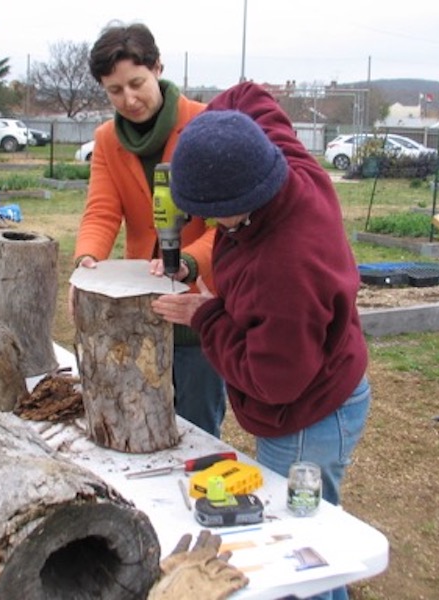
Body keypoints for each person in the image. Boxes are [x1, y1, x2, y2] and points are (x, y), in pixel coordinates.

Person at [152, 83, 371, 600]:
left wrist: (208, 318)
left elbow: (273, 380)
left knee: (298, 547)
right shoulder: (275, 159)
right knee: (309, 535)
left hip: (308, 414)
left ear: (242, 201)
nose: (203, 225)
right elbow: (247, 95)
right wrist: (206, 141)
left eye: (212, 214)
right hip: (324, 373)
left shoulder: (285, 266)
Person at [71, 22, 226, 437]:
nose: (129, 98)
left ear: (158, 67)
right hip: (140, 307)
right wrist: (87, 262)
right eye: (114, 91)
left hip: (201, 301)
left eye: (136, 83)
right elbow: (102, 211)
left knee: (198, 429)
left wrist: (191, 262)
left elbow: (227, 224)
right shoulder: (107, 139)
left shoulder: (204, 123)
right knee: (140, 419)